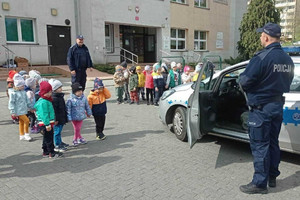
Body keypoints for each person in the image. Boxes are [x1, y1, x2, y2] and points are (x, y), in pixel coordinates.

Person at [239, 22, 294, 194]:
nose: (260, 38)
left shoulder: (262, 57)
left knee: (260, 145)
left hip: (261, 109)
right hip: (277, 106)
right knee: (272, 143)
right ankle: (272, 177)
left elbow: (245, 81)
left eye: (261, 35)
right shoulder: (287, 59)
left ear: (266, 37)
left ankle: (259, 184)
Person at [35, 81, 62, 158]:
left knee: (46, 138)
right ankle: (51, 152)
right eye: (48, 92)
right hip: (45, 123)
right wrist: (47, 124)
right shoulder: (43, 102)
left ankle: (46, 151)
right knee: (49, 138)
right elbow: (44, 114)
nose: (50, 94)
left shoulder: (46, 100)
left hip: (47, 123)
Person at [8, 74, 33, 141]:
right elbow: (11, 102)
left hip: (23, 109)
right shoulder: (14, 93)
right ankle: (26, 134)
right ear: (18, 86)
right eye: (22, 86)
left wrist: (30, 107)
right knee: (27, 120)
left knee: (21, 122)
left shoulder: (24, 92)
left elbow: (27, 100)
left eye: (23, 85)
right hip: (18, 111)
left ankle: (21, 134)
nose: (23, 87)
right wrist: (12, 111)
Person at [48, 79, 69, 152]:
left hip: (61, 117)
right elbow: (54, 111)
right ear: (54, 89)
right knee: (57, 132)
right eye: (59, 88)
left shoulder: (60, 96)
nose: (61, 89)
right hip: (57, 119)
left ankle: (60, 142)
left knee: (59, 131)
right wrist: (55, 119)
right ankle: (57, 145)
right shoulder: (54, 98)